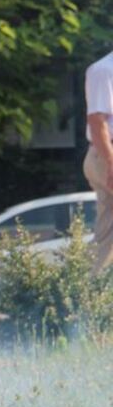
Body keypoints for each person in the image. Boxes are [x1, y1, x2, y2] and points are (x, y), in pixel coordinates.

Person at [85, 51, 113, 274]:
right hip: (106, 154)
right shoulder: (104, 70)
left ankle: (94, 299)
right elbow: (97, 122)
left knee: (107, 233)